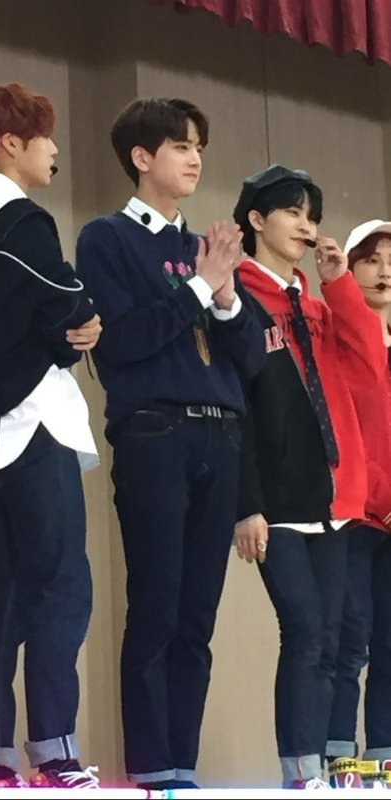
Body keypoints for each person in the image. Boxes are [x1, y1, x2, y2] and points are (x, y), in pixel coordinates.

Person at [75, 97, 266, 791]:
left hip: (221, 434)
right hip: (155, 433)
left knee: (197, 618)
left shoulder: (204, 251)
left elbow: (253, 358)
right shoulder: (106, 238)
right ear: (141, 156)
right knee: (155, 607)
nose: (194, 160)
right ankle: (155, 771)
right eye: (181, 146)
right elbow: (120, 344)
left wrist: (225, 296)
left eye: (199, 149)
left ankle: (183, 766)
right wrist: (199, 290)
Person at [0, 83, 102, 789]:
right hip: (34, 420)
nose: (54, 149)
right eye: (45, 137)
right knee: (61, 586)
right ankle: (56, 752)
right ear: (11, 143)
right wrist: (80, 324)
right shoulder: (20, 217)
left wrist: (62, 328)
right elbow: (65, 301)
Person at [232, 165, 385, 789]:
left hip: (336, 498)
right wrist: (247, 502)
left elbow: (370, 365)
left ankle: (318, 769)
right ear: (256, 220)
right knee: (303, 630)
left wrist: (340, 283)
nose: (306, 225)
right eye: (292, 212)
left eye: (312, 215)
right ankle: (298, 772)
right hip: (280, 499)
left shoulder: (320, 306)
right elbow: (238, 409)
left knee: (332, 637)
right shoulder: (237, 299)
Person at [325, 220, 391, 790]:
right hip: (356, 516)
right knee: (350, 642)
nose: (385, 272)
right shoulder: (339, 340)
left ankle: (386, 760)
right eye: (372, 259)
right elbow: (348, 432)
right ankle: (340, 760)